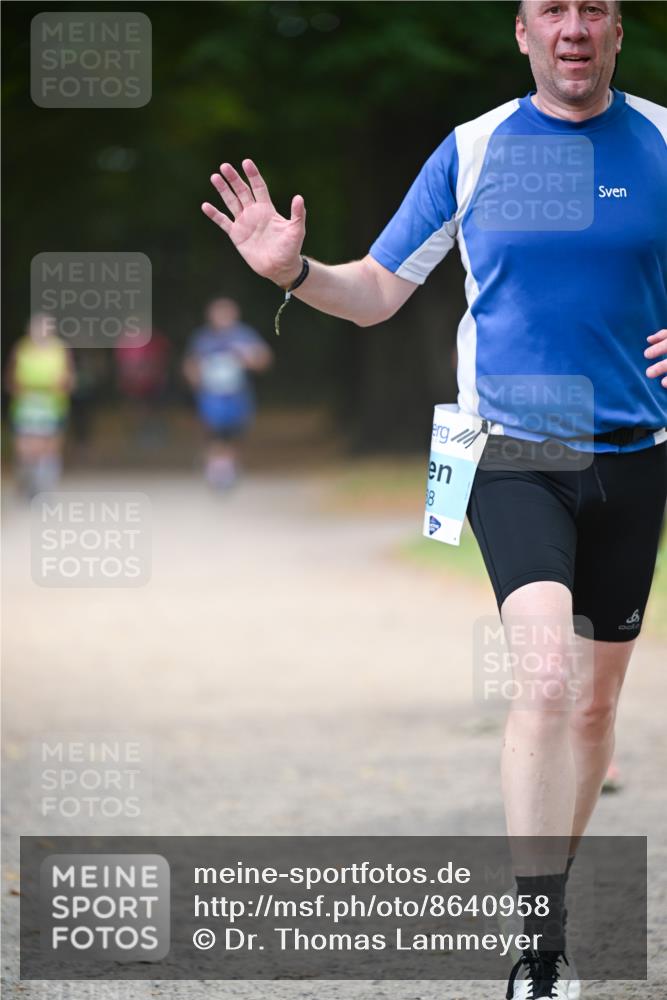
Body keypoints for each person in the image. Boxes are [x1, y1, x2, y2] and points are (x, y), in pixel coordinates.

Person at [201, 1, 666, 995]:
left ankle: (553, 884)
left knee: (590, 712)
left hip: (635, 455)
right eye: (553, 9)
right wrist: (295, 272)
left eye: (594, 9)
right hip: (509, 451)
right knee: (544, 679)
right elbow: (374, 288)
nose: (573, 26)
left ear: (618, 30)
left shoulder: (665, 139)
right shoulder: (472, 149)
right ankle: (538, 954)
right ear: (522, 31)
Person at [183, 298, 272, 489]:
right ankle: (216, 470)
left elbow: (263, 358)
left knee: (235, 433)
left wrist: (250, 359)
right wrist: (194, 379)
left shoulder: (244, 336)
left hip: (237, 395)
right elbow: (191, 363)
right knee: (214, 433)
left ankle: (229, 467)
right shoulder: (203, 338)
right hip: (211, 395)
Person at [5, 313, 75, 497]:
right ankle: (27, 480)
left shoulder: (60, 350)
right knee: (26, 448)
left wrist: (60, 386)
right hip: (26, 407)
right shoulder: (21, 349)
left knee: (49, 447)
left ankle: (45, 485)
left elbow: (69, 379)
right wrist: (22, 389)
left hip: (53, 407)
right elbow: (10, 379)